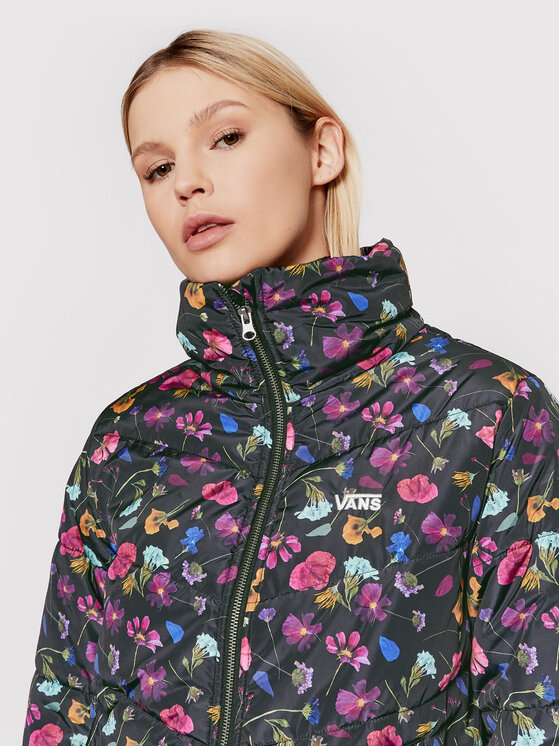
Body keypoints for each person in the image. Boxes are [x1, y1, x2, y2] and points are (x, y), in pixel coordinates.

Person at [22, 28, 558, 746]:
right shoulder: (126, 443)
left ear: (322, 151)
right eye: (157, 168)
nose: (186, 183)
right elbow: (64, 712)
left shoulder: (488, 415)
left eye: (226, 137)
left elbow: (535, 712)